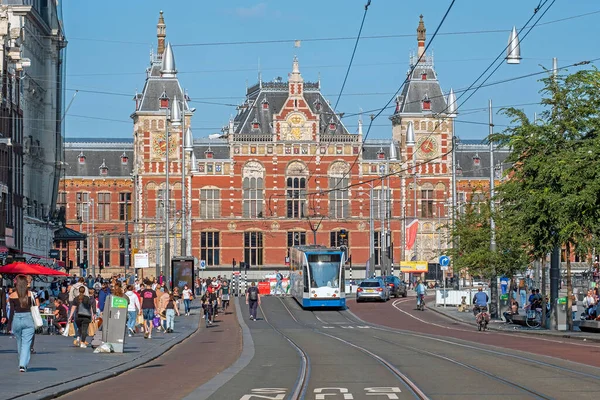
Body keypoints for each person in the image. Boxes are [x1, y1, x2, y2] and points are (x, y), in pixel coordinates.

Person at [9, 275, 36, 372]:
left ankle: (22, 362)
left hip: (16, 319)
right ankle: (22, 364)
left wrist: (9, 325)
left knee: (19, 342)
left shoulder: (12, 295)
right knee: (26, 343)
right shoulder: (30, 294)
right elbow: (35, 306)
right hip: (28, 318)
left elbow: (11, 312)